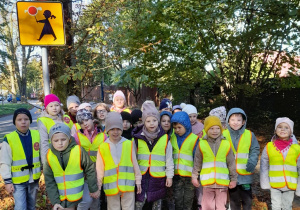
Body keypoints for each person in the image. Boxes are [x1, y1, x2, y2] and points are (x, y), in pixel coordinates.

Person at [44, 123, 100, 210]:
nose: (60, 143)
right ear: (51, 141)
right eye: (56, 141)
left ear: (69, 139)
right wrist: (55, 201)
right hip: (62, 197)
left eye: (63, 139)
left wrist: (93, 188)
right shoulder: (49, 156)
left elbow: (90, 168)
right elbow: (49, 180)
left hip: (80, 192)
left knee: (87, 201)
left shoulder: (78, 150)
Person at [132, 101, 174, 210]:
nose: (152, 123)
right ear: (144, 122)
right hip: (141, 177)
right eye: (148, 121)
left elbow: (169, 159)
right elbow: (133, 159)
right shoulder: (137, 138)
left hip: (158, 178)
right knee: (139, 203)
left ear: (158, 121)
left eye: (154, 120)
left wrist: (169, 176)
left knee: (157, 204)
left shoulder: (165, 138)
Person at [96, 112, 142, 210]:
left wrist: (138, 181)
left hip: (127, 186)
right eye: (112, 129)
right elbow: (99, 169)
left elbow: (135, 164)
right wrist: (98, 185)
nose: (115, 132)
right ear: (107, 130)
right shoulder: (102, 147)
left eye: (118, 129)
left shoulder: (129, 144)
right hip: (111, 187)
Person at [192, 116, 237, 210]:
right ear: (206, 129)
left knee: (221, 207)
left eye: (217, 128)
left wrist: (233, 179)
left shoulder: (226, 144)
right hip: (207, 183)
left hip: (222, 183)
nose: (215, 131)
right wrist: (194, 176)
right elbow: (197, 162)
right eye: (211, 128)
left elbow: (231, 163)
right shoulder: (201, 144)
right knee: (207, 207)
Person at [0, 108, 41, 210]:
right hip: (18, 181)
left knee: (32, 206)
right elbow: (4, 161)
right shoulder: (9, 139)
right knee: (21, 207)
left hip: (33, 179)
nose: (23, 122)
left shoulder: (36, 135)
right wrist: (8, 181)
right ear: (14, 122)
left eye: (26, 119)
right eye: (19, 119)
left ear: (30, 121)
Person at [222, 108, 260, 210]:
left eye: (239, 120)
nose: (235, 123)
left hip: (245, 174)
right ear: (228, 121)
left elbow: (255, 149)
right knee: (234, 201)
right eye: (233, 120)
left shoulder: (249, 134)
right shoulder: (223, 135)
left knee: (247, 201)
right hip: (230, 175)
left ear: (243, 122)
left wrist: (252, 161)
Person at [260, 117, 300, 210]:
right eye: (280, 127)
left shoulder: (296, 148)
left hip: (290, 184)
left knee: (287, 206)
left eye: (286, 127)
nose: (283, 129)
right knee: (276, 206)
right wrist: (265, 182)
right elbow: (263, 165)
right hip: (274, 183)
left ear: (291, 132)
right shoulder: (269, 146)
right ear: (275, 130)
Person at [72, 109, 105, 209]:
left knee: (96, 202)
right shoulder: (76, 137)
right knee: (86, 200)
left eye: (86, 120)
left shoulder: (103, 136)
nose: (85, 124)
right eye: (81, 123)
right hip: (85, 174)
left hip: (99, 173)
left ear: (92, 119)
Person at [170, 111, 199, 210]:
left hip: (189, 176)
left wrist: (196, 174)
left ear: (186, 125)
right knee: (177, 199)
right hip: (176, 175)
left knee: (188, 199)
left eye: (179, 127)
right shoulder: (172, 138)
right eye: (174, 128)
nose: (177, 130)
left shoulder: (194, 139)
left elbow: (197, 158)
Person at [37, 94, 73, 164]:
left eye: (57, 105)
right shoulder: (43, 121)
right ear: (46, 108)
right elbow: (44, 143)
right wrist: (45, 163)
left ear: (60, 106)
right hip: (53, 154)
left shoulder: (66, 118)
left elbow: (73, 135)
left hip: (69, 153)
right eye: (51, 106)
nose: (54, 108)